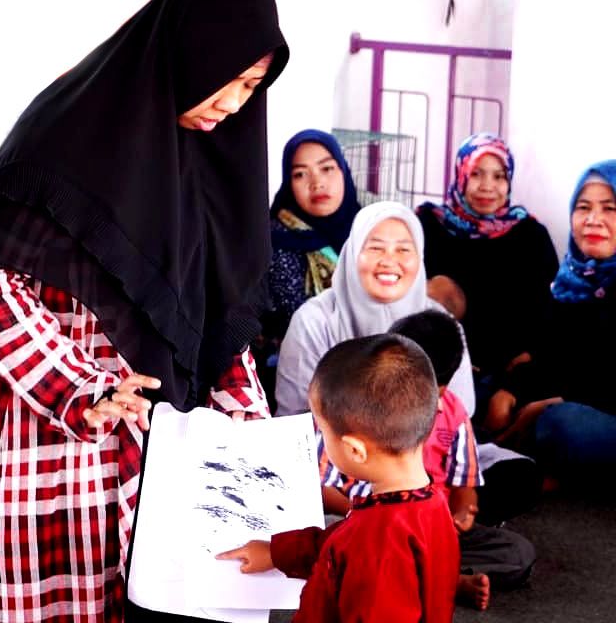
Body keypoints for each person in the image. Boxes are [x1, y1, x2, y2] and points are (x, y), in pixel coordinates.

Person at [0, 0, 289, 623]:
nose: (235, 105)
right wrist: (82, 387)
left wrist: (250, 428)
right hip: (55, 447)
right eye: (230, 81)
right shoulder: (64, 135)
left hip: (160, 453)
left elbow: (217, 312)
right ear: (191, 51)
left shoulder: (209, 166)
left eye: (252, 87)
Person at [217, 333, 460, 623]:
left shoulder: (378, 545)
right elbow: (340, 538)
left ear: (354, 450)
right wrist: (277, 553)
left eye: (323, 430)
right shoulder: (429, 503)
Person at [320, 310, 536, 610]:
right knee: (325, 538)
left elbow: (465, 484)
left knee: (517, 553)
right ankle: (445, 581)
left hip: (429, 532)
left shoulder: (453, 413)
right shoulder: (355, 409)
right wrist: (365, 515)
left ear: (443, 389)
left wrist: (462, 513)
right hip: (362, 528)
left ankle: (432, 576)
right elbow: (324, 489)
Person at [274, 200, 475, 418]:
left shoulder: (441, 325)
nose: (389, 261)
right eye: (375, 248)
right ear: (352, 253)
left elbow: (459, 415)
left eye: (404, 249)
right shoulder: (314, 321)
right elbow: (294, 418)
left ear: (420, 259)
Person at [415, 132, 559, 427]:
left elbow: (544, 320)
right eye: (477, 174)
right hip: (439, 369)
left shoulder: (530, 235)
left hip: (507, 373)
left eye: (498, 176)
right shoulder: (430, 226)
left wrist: (512, 386)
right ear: (461, 174)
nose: (487, 186)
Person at [493, 160, 616, 486]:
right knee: (493, 396)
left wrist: (556, 401)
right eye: (583, 207)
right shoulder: (571, 281)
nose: (593, 220)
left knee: (559, 425)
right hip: (582, 399)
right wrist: (510, 389)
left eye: (609, 209)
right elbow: (556, 358)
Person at [255, 129, 361, 410]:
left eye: (326, 169)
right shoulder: (276, 240)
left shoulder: (367, 232)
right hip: (303, 380)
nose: (317, 183)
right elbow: (297, 317)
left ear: (343, 171)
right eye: (300, 174)